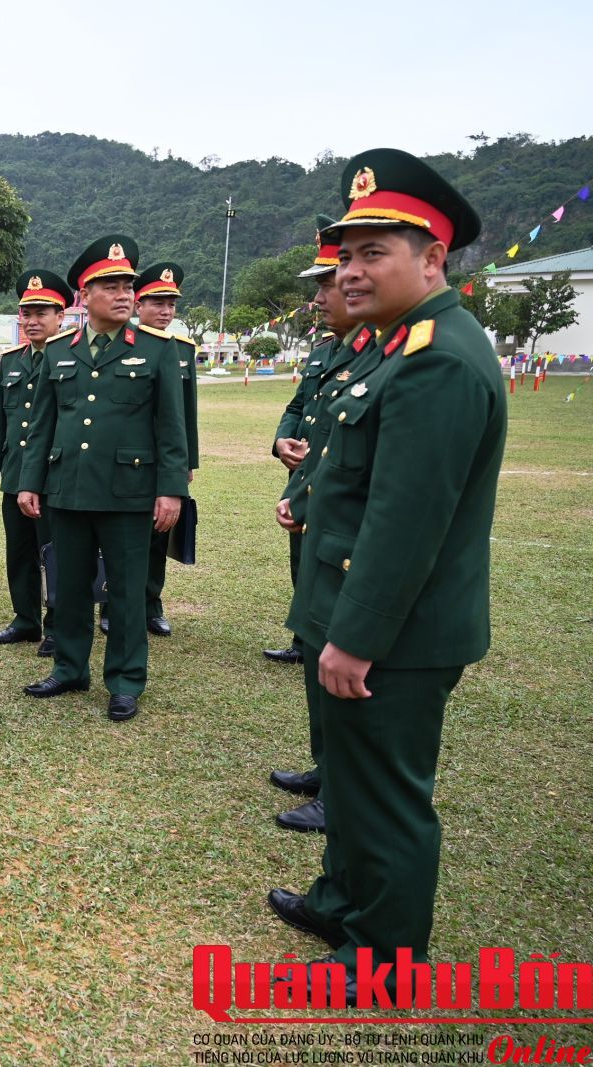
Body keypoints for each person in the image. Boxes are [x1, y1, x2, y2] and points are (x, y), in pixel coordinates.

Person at [265, 148, 504, 989]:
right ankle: (343, 901)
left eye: (374, 252)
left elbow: (407, 523)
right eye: (346, 254)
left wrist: (355, 638)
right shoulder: (392, 345)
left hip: (396, 632)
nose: (350, 271)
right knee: (354, 780)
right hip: (357, 611)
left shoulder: (438, 356)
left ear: (433, 257)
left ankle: (385, 959)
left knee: (388, 796)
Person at [18, 235, 187, 722]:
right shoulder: (58, 351)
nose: (123, 295)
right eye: (110, 286)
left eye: (127, 286)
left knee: (127, 591)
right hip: (68, 489)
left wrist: (171, 490)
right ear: (84, 296)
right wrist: (30, 481)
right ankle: (70, 669)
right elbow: (42, 425)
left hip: (128, 492)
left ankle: (126, 680)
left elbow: (171, 428)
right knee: (70, 586)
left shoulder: (156, 349)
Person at [266, 216, 371, 835]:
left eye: (329, 282)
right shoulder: (332, 353)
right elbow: (307, 423)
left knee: (339, 659)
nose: (324, 295)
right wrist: (291, 475)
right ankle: (326, 768)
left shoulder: (385, 359)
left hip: (348, 539)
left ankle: (343, 789)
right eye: (326, 282)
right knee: (315, 650)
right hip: (314, 513)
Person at [100, 262, 197, 637]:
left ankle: (151, 603)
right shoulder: (118, 345)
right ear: (138, 305)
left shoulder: (182, 350)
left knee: (159, 533)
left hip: (165, 460)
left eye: (171, 304)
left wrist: (186, 463)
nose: (166, 311)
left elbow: (185, 415)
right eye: (157, 303)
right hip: (126, 459)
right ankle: (110, 603)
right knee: (114, 537)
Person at [0, 269, 72, 657]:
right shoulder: (12, 361)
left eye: (41, 313)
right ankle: (25, 619)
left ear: (60, 316)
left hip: (55, 477)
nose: (32, 321)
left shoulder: (71, 358)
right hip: (16, 473)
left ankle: (58, 625)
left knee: (55, 553)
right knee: (19, 551)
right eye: (26, 314)